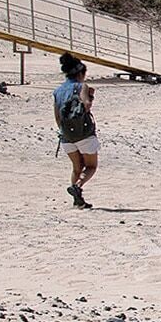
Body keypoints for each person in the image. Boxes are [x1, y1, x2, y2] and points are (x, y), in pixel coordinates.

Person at [53, 53, 100, 208]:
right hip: (83, 132)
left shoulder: (58, 91)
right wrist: (90, 97)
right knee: (91, 166)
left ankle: (77, 201)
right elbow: (86, 105)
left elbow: (57, 116)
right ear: (80, 73)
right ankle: (77, 186)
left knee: (76, 167)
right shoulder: (81, 86)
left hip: (66, 135)